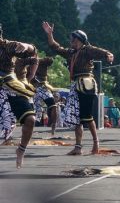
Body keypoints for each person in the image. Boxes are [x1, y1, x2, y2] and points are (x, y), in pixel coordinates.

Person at [42, 21, 114, 155]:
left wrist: (108, 55)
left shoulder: (87, 49)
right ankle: (78, 146)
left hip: (86, 84)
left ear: (80, 40)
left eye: (73, 39)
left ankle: (95, 143)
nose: (71, 41)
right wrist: (50, 34)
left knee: (86, 116)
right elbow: (55, 47)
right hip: (75, 85)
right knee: (76, 117)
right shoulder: (71, 53)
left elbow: (100, 52)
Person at [0, 22, 38, 168]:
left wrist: (25, 45)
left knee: (30, 119)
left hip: (10, 85)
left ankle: (21, 150)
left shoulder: (8, 46)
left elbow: (33, 50)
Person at [31, 57, 58, 135]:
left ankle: (53, 126)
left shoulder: (42, 61)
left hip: (43, 87)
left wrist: (37, 60)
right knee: (34, 110)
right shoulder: (26, 62)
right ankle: (30, 129)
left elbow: (50, 60)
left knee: (53, 106)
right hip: (32, 89)